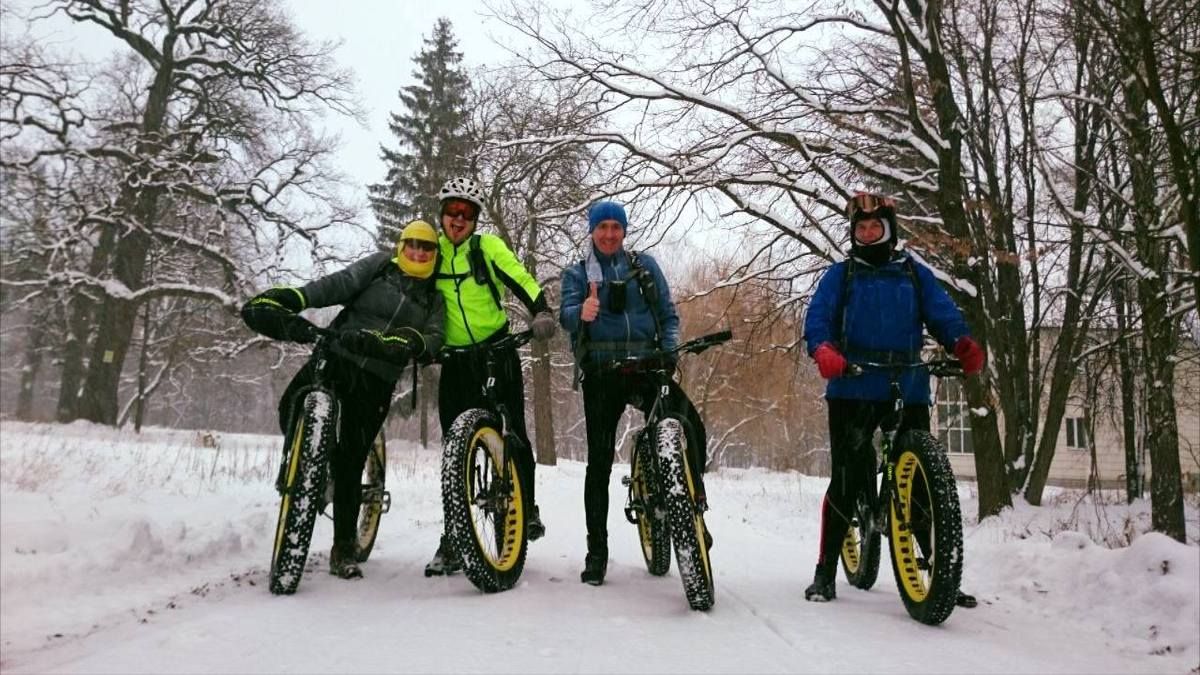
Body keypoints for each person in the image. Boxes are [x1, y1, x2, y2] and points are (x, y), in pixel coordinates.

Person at [801, 192, 985, 607]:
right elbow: (817, 320)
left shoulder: (914, 275)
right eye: (861, 228)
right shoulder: (841, 275)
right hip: (854, 385)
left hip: (908, 383)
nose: (868, 233)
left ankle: (942, 578)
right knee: (847, 479)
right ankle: (825, 572)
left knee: (921, 484)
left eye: (875, 227)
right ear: (854, 233)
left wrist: (960, 342)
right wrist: (825, 350)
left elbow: (942, 314)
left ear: (889, 231)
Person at [241, 220, 446, 580]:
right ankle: (306, 465)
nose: (418, 252)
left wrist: (405, 342)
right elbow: (340, 284)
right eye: (412, 244)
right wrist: (297, 298)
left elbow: (434, 337)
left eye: (426, 248)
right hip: (336, 353)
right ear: (401, 245)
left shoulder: (433, 297)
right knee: (291, 402)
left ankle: (345, 548)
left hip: (377, 378)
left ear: (434, 254)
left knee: (351, 457)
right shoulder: (380, 266)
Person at [559, 200, 710, 586]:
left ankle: (694, 514)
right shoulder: (577, 275)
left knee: (690, 424)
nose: (609, 233)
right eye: (602, 227)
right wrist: (583, 313)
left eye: (615, 226)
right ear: (592, 231)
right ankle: (597, 553)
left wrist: (670, 351)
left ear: (624, 231)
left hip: (647, 365)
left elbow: (668, 314)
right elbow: (566, 316)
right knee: (598, 464)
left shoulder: (644, 267)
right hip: (602, 372)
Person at [423, 176, 558, 576]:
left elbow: (520, 278)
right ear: (443, 216)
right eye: (452, 212)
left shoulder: (488, 248)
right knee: (454, 451)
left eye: (466, 213)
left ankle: (526, 508)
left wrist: (541, 310)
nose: (458, 219)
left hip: (496, 352)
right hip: (455, 360)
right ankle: (453, 536)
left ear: (476, 219)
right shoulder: (435, 253)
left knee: (513, 431)